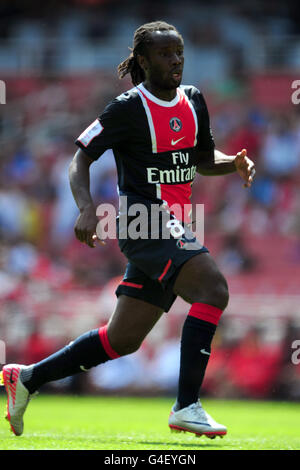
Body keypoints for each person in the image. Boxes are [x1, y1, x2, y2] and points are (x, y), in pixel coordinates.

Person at [1, 21, 255, 438]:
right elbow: (79, 158)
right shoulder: (125, 108)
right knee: (213, 288)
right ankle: (187, 404)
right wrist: (86, 208)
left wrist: (234, 163)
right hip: (144, 221)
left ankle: (26, 378)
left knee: (123, 339)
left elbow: (204, 158)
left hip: (174, 225)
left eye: (179, 52)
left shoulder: (193, 99)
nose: (175, 61)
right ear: (142, 60)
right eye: (164, 54)